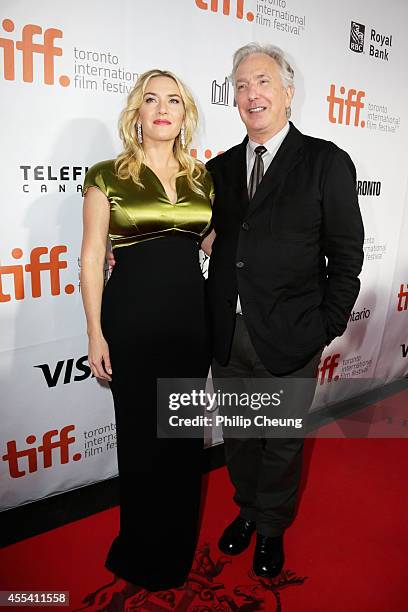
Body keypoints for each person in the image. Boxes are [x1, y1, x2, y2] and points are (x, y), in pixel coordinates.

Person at [204, 43, 364, 578]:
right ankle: (248, 511)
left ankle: (271, 527)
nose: (253, 94)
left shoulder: (326, 161)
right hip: (229, 333)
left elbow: (346, 254)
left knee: (281, 443)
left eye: (264, 82)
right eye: (242, 85)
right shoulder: (219, 169)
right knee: (241, 437)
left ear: (288, 93)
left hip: (293, 334)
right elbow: (210, 239)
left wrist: (327, 323)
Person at [80, 69, 214, 591]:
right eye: (151, 99)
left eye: (174, 101)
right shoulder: (107, 175)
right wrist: (95, 332)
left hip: (190, 320)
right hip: (131, 321)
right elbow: (92, 257)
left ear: (185, 114)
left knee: (180, 440)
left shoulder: (203, 178)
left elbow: (210, 245)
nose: (163, 108)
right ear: (137, 111)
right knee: (140, 439)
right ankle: (140, 550)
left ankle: (176, 549)